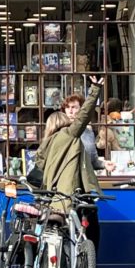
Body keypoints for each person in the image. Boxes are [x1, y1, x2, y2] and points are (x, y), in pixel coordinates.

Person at [63, 90, 113, 268]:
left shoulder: (89, 132)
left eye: (75, 107)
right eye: (68, 107)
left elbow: (91, 160)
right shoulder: (64, 129)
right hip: (67, 186)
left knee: (92, 227)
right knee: (68, 230)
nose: (71, 110)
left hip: (84, 187)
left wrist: (103, 165)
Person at [36, 77, 102, 217]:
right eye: (68, 108)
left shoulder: (46, 143)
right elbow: (84, 115)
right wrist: (95, 90)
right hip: (69, 194)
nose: (70, 112)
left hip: (51, 197)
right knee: (89, 228)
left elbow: (38, 170)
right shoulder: (68, 134)